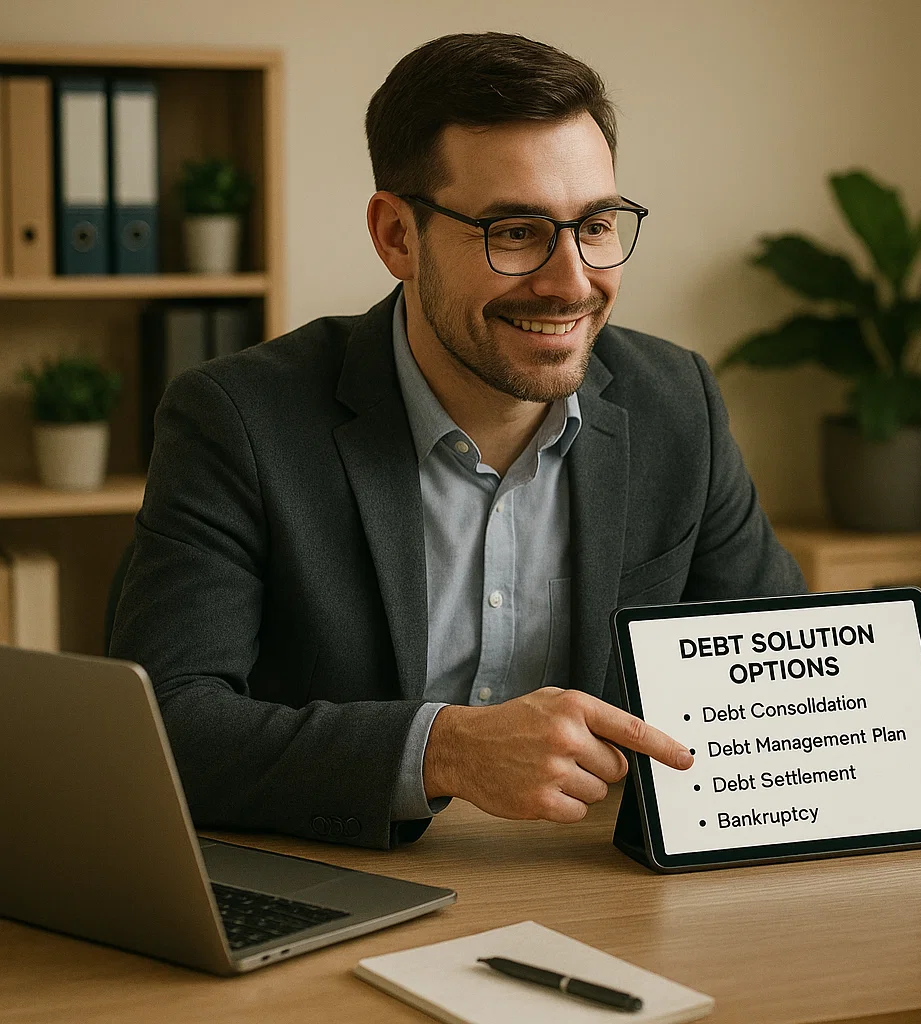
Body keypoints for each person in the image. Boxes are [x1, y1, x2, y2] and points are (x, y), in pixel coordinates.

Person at [110, 32, 804, 851]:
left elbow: (786, 684)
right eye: (514, 232)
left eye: (595, 225)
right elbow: (166, 727)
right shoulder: (238, 419)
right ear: (396, 236)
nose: (571, 282)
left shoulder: (675, 403)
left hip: (593, 878)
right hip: (346, 882)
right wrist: (442, 752)